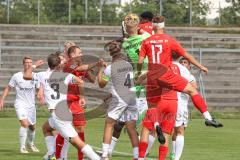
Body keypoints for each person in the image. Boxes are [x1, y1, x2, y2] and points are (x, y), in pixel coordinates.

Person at [137, 15, 223, 159]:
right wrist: (200, 66)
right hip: (166, 76)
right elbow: (186, 55)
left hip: (152, 76)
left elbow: (140, 61)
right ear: (163, 26)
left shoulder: (146, 41)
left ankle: (156, 125)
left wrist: (139, 75)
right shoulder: (169, 40)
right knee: (191, 90)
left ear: (152, 26)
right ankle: (207, 117)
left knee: (152, 106)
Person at [37, 53, 100, 160]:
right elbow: (80, 81)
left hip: (59, 114)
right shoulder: (66, 76)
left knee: (77, 142)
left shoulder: (42, 75)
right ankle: (52, 153)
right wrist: (81, 97)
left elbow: (27, 75)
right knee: (46, 128)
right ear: (59, 65)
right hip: (61, 112)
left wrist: (34, 66)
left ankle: (96, 158)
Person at [109, 13, 154, 157]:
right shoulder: (145, 37)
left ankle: (139, 151)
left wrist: (128, 27)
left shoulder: (127, 43)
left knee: (127, 123)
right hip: (145, 80)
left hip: (139, 82)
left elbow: (124, 39)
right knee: (138, 123)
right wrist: (135, 24)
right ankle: (141, 152)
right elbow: (143, 33)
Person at [55, 45, 100, 160]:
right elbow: (80, 69)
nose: (82, 54)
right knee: (64, 130)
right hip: (67, 102)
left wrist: (94, 70)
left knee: (80, 129)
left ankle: (80, 158)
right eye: (79, 53)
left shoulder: (80, 66)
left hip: (76, 103)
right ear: (72, 55)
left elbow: (92, 79)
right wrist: (95, 63)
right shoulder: (69, 64)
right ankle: (58, 156)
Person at [98, 40, 139, 160]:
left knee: (109, 123)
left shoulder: (110, 68)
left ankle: (105, 155)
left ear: (111, 55)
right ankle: (137, 156)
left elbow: (101, 84)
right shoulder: (129, 65)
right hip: (131, 97)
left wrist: (101, 69)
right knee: (131, 128)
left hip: (120, 98)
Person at [0, 57, 43, 153]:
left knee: (32, 127)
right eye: (26, 62)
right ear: (23, 64)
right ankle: (22, 147)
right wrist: (2, 99)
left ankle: (30, 144)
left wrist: (40, 94)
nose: (28, 64)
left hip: (31, 105)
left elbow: (39, 89)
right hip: (20, 103)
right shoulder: (16, 76)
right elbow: (8, 88)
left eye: (30, 62)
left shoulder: (36, 76)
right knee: (24, 124)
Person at [170, 57, 197, 160]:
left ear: (189, 66)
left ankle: (173, 153)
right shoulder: (175, 73)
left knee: (176, 130)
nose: (183, 64)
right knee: (179, 130)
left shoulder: (189, 76)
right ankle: (176, 157)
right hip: (176, 104)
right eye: (181, 62)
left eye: (185, 62)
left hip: (180, 104)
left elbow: (194, 89)